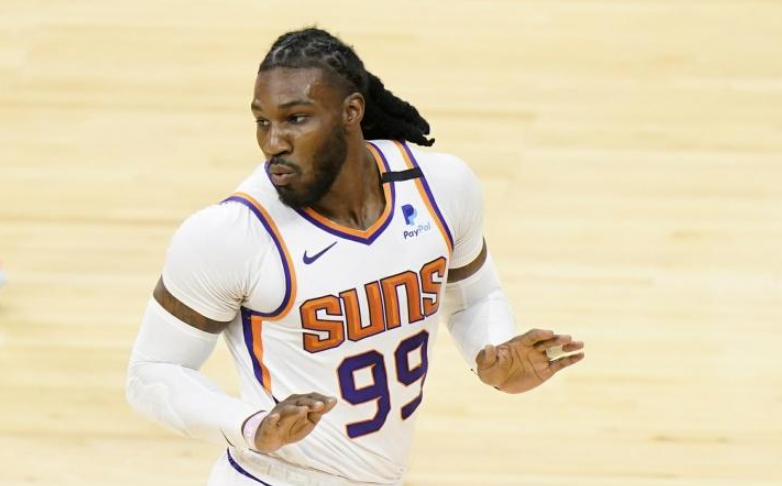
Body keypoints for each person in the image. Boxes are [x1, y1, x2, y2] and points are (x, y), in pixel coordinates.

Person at [126, 27, 585, 486]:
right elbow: (152, 373)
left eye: (296, 119)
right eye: (262, 122)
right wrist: (253, 427)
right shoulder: (232, 234)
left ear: (351, 112)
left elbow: (473, 297)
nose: (273, 142)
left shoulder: (439, 188)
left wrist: (493, 353)